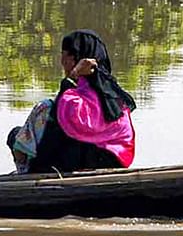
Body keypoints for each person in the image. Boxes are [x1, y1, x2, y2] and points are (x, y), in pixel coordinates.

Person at [7, 30, 136, 174]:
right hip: (117, 159)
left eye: (65, 56)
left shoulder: (75, 95)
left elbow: (66, 115)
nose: (62, 62)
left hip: (90, 160)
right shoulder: (114, 94)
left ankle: (28, 173)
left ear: (77, 60)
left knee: (31, 123)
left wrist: (73, 76)